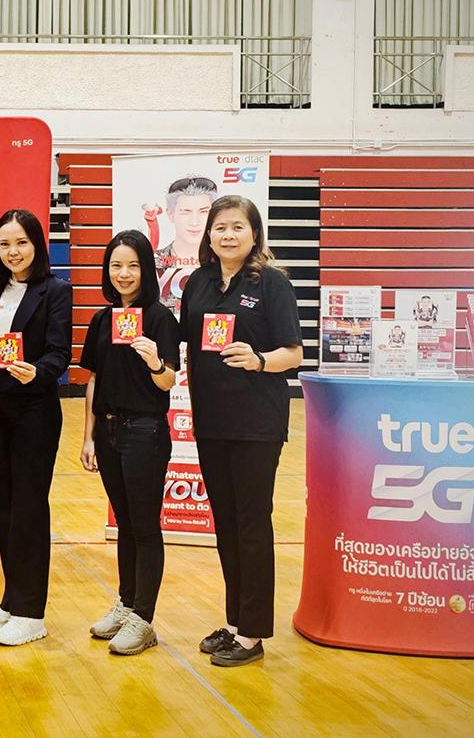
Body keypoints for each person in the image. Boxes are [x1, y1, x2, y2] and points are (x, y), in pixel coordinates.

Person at [179, 195, 303, 667]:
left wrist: (258, 360)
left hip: (256, 424)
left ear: (254, 234)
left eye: (237, 227)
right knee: (226, 525)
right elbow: (185, 341)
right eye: (220, 227)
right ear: (209, 235)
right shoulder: (199, 282)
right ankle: (234, 622)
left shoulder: (272, 283)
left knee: (251, 525)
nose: (228, 235)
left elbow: (294, 353)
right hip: (212, 421)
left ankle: (252, 633)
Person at [0, 209, 72, 646]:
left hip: (34, 411)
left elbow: (60, 352)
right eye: (5, 244)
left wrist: (38, 371)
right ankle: (12, 600)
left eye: (21, 242)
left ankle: (32, 613)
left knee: (29, 509)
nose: (13, 251)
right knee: (5, 508)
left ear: (37, 245)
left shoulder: (56, 291)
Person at [78, 230, 180, 656]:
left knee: (144, 524)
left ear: (146, 270)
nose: (123, 274)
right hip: (108, 431)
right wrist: (88, 435)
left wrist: (154, 359)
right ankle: (126, 603)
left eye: (133, 265)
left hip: (145, 432)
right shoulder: (102, 320)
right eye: (116, 265)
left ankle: (144, 618)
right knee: (124, 523)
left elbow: (168, 380)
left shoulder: (160, 318)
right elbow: (93, 379)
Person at [153, 176, 217, 308]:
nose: (195, 222)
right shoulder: (152, 261)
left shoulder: (223, 262)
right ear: (171, 214)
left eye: (203, 212)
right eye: (186, 212)